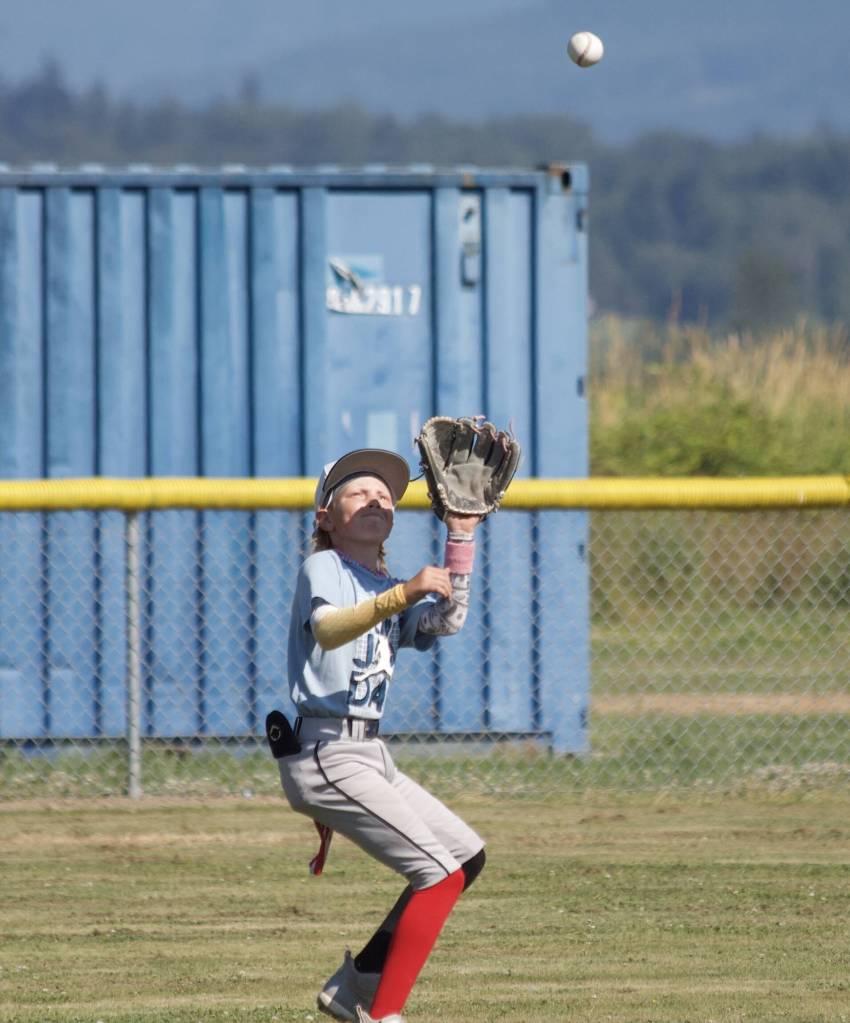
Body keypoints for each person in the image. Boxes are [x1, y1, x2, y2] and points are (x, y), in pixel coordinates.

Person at [277, 447, 487, 1023]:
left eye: (385, 494)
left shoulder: (385, 581)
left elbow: (446, 620)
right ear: (325, 515)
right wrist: (404, 592)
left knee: (465, 858)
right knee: (436, 875)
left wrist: (461, 538)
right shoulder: (322, 568)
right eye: (357, 491)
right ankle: (382, 1013)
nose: (376, 498)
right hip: (325, 752)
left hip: (368, 751)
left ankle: (358, 983)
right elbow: (330, 628)